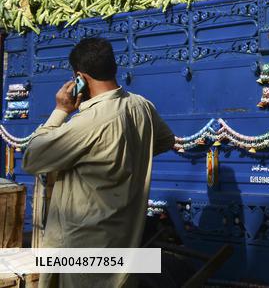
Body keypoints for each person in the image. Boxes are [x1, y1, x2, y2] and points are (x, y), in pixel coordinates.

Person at [22, 37, 175, 288]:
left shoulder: (90, 121)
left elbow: (32, 157)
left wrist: (61, 110)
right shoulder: (142, 106)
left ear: (80, 77)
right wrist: (126, 159)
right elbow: (165, 140)